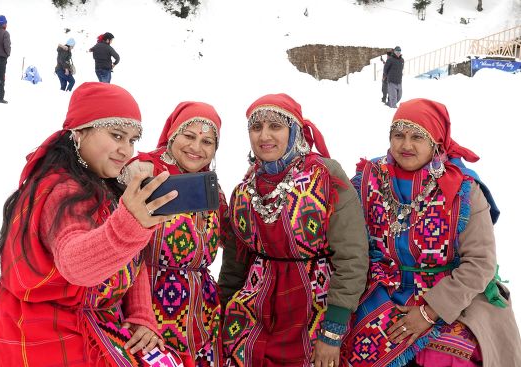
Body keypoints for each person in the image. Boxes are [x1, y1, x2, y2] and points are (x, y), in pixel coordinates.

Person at [0, 82, 182, 367]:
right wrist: (130, 224)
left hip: (92, 318)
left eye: (132, 140)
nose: (125, 150)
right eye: (116, 135)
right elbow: (75, 263)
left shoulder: (104, 183)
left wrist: (141, 314)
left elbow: (132, 259)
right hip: (43, 330)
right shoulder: (61, 190)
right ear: (79, 133)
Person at [340, 98, 521, 367]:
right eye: (398, 135)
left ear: (436, 141)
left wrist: (429, 312)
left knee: (445, 355)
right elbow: (344, 237)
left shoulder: (463, 190)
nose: (406, 145)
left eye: (417, 137)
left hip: (452, 295)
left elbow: (480, 264)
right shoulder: (368, 180)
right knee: (348, 346)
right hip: (382, 289)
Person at [218, 93, 369, 367]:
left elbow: (352, 256)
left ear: (295, 131)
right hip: (256, 310)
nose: (264, 136)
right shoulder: (244, 190)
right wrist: (224, 310)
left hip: (315, 307)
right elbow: (234, 264)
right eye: (256, 127)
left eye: (275, 126)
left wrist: (333, 332)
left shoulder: (325, 176)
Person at [123, 102, 228, 366]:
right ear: (172, 135)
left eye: (207, 141)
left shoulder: (211, 190)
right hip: (148, 310)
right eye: (189, 136)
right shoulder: (150, 173)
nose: (196, 147)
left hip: (200, 316)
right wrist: (134, 172)